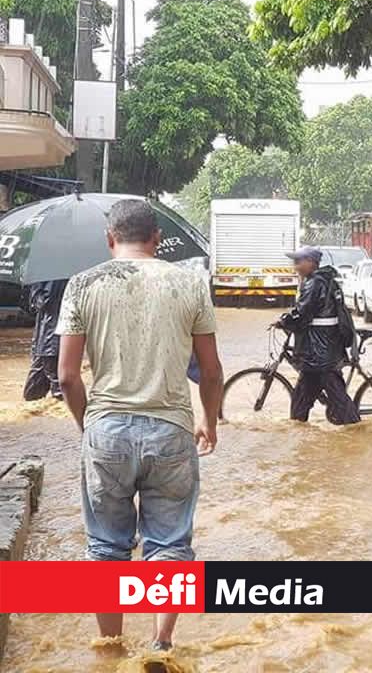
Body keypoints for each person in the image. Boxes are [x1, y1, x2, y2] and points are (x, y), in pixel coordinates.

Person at [56, 199, 224, 653]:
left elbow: (67, 377)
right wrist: (209, 421)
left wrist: (89, 426)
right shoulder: (189, 283)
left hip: (106, 429)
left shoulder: (83, 284)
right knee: (170, 545)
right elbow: (211, 372)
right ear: (156, 239)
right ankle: (161, 643)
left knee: (106, 548)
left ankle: (110, 647)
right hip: (171, 429)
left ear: (110, 239)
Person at [276, 246, 360, 425]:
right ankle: (299, 436)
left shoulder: (314, 283)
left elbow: (302, 315)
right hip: (321, 353)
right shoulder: (327, 280)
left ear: (311, 262)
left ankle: (359, 434)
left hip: (319, 355)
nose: (295, 266)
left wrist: (284, 321)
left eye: (298, 262)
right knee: (300, 405)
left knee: (340, 405)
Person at [22, 278, 67, 401]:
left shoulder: (49, 275)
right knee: (32, 392)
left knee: (59, 389)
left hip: (49, 337)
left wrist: (34, 294)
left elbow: (44, 302)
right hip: (52, 337)